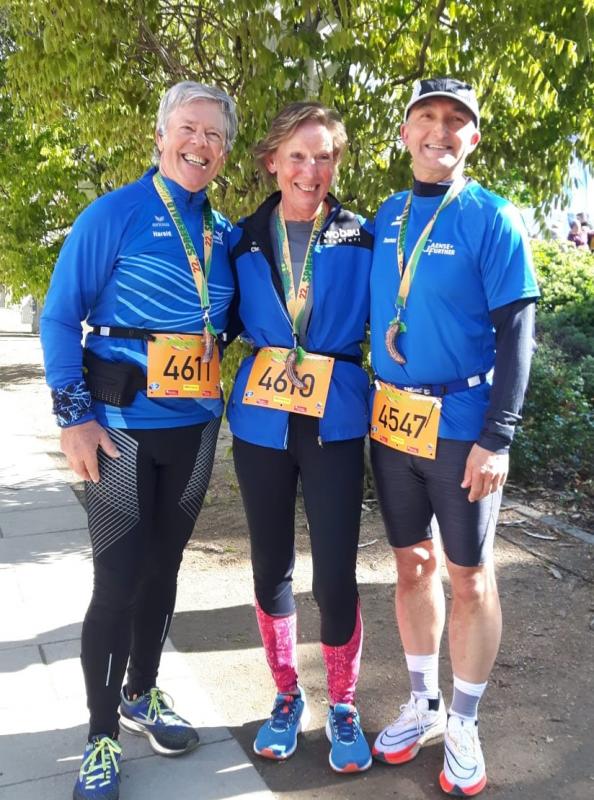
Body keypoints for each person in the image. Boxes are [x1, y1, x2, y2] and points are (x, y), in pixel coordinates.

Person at [40, 81, 237, 800]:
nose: (199, 143)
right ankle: (100, 736)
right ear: (160, 136)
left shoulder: (224, 233)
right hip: (119, 431)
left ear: (226, 150)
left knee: (163, 570)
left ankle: (141, 693)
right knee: (118, 581)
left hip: (195, 430)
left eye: (214, 134)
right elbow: (59, 316)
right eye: (188, 128)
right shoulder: (114, 213)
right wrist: (73, 417)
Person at [369, 77, 539, 795]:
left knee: (469, 576)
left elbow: (518, 333)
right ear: (405, 132)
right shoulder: (386, 216)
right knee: (412, 565)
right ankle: (423, 702)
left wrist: (497, 437)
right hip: (392, 423)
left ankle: (464, 722)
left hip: (463, 429)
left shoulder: (492, 217)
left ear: (473, 137)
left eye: (455, 120)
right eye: (426, 117)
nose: (440, 130)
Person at [227, 102, 373, 773]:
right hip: (262, 416)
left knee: (336, 570)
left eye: (324, 157)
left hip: (334, 414)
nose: (310, 170)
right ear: (272, 162)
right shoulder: (240, 239)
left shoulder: (361, 236)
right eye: (297, 156)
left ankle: (342, 702)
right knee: (270, 563)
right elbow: (214, 315)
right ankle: (287, 694)